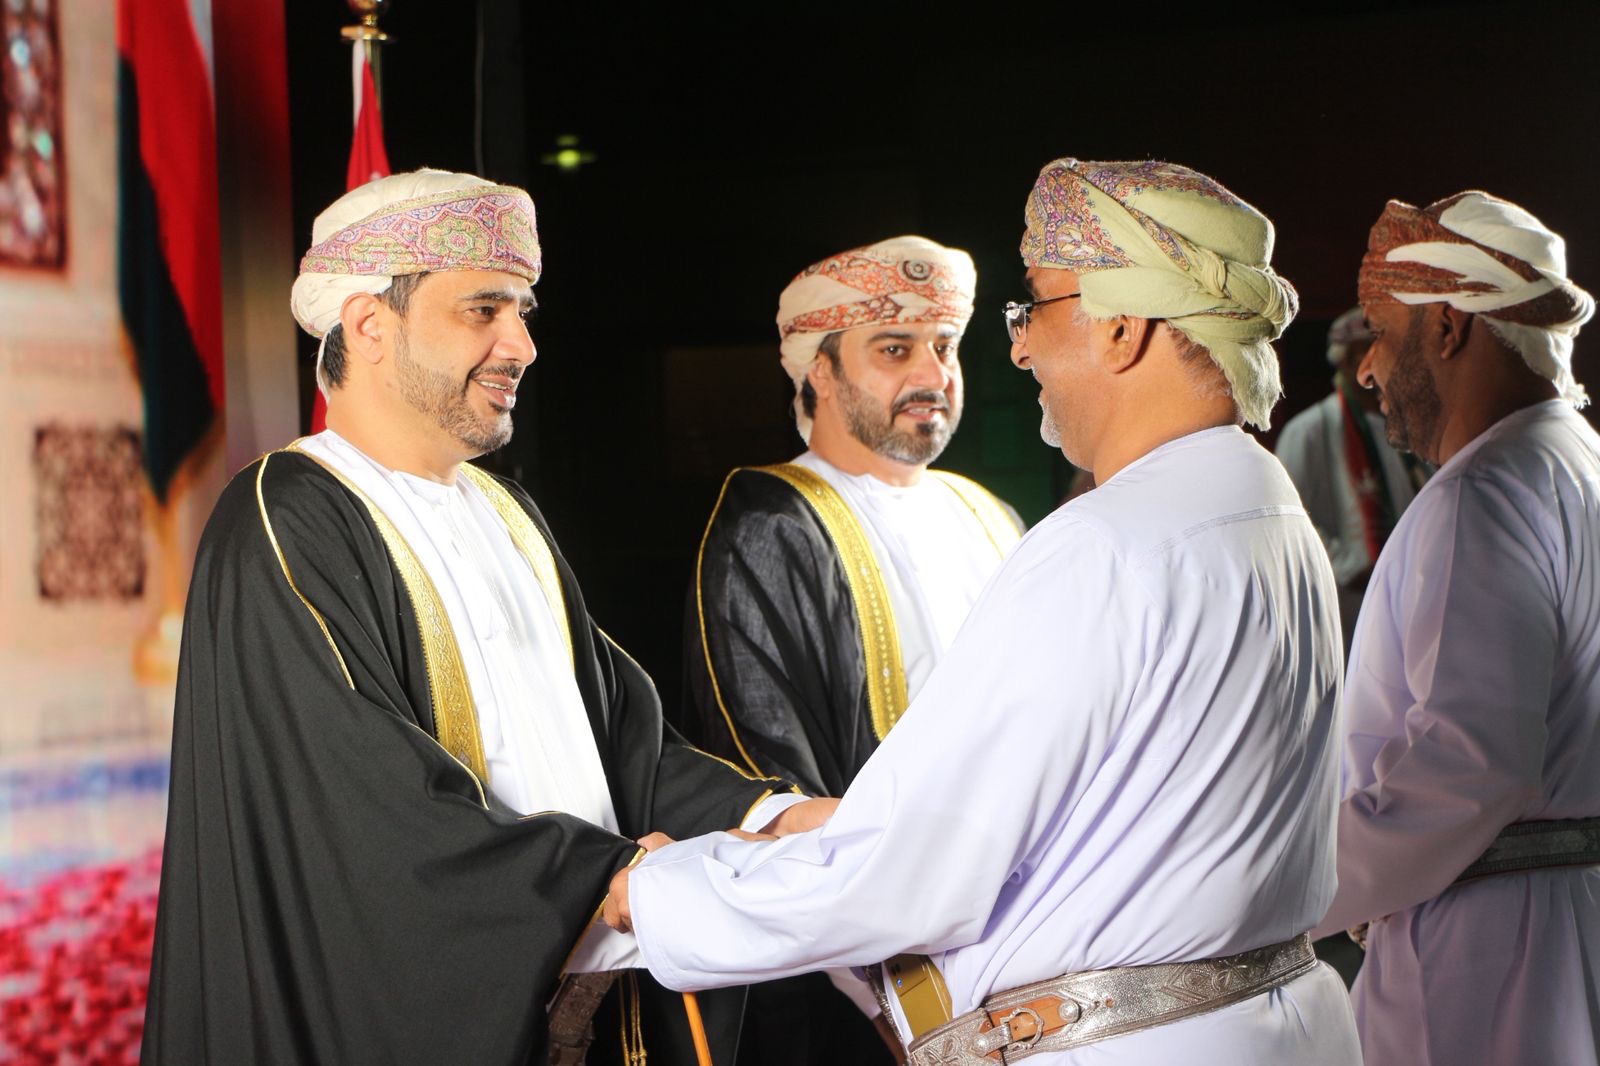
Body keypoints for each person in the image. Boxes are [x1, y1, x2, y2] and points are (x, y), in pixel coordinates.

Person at [609, 158, 1362, 1065]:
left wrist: (662, 895)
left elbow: (919, 867)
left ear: (1121, 327)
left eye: (1033, 309)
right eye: (897, 347)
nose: (1017, 350)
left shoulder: (1105, 542)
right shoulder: (1268, 509)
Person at [140, 169, 829, 1066]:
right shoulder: (286, 513)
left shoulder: (509, 515)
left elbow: (623, 744)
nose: (523, 345)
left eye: (523, 311)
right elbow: (367, 811)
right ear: (369, 324)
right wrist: (609, 879)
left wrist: (774, 816)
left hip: (593, 1004)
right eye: (483, 310)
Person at [684, 237, 1021, 1064]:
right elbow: (772, 783)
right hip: (863, 995)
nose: (933, 375)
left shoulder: (988, 515)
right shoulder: (773, 523)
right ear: (820, 372)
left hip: (1023, 954)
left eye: (945, 347)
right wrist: (896, 1007)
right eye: (895, 350)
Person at [1310, 190, 1600, 1066]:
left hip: (1489, 957)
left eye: (1381, 332)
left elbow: (1469, 765)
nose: (1368, 369)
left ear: (1448, 326)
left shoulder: (1486, 491)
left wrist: (1288, 888)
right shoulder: (1576, 463)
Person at [1275, 308, 1425, 648]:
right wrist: (1351, 566)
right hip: (1347, 604)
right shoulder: (1310, 431)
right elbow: (1293, 524)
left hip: (1408, 595)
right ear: (1344, 361)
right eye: (1362, 352)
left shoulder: (1406, 429)